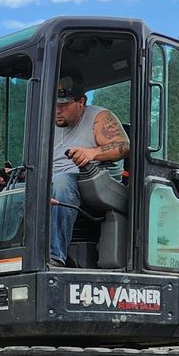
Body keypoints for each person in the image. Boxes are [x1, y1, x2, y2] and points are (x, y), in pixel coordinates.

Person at [48, 76, 131, 266]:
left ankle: (54, 257)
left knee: (61, 183)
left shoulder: (99, 118)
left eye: (63, 105)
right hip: (53, 179)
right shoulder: (50, 125)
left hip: (93, 181)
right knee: (15, 191)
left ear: (81, 102)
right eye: (55, 104)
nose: (57, 110)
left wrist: (92, 152)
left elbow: (124, 146)